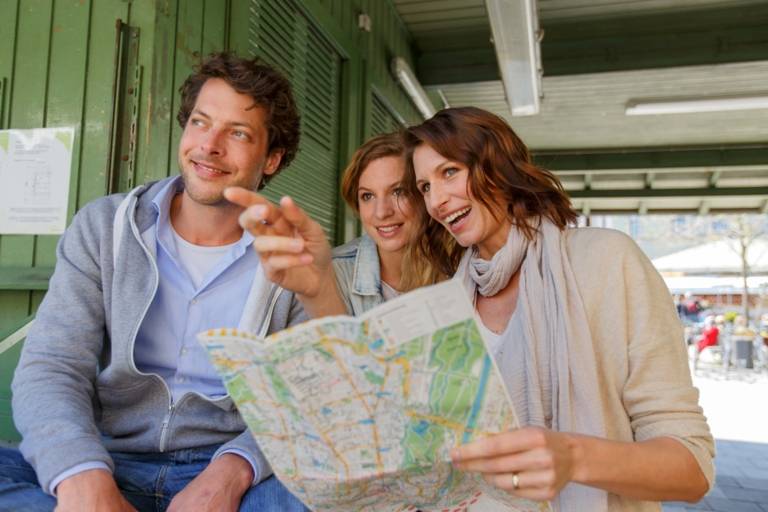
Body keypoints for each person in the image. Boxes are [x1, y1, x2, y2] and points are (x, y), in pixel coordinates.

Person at [0, 52, 308, 512]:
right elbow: (52, 365)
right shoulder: (104, 227)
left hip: (233, 476)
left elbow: (303, 399)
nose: (210, 145)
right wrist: (82, 474)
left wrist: (233, 471)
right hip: (111, 458)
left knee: (330, 493)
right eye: (201, 123)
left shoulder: (292, 255)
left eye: (238, 133)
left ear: (272, 159)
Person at [401, 106, 714, 510]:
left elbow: (693, 470)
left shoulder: (605, 261)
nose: (438, 200)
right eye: (424, 187)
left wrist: (571, 457)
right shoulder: (449, 300)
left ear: (498, 165)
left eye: (449, 172)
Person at [224, 131, 442, 318]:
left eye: (398, 191)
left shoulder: (461, 266)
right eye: (367, 196)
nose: (382, 212)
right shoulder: (330, 272)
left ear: (425, 192)